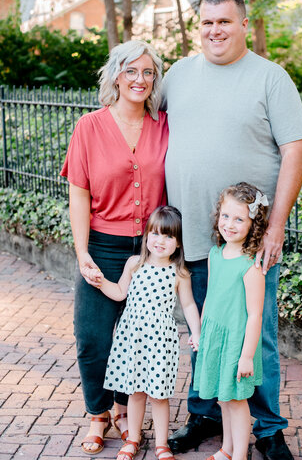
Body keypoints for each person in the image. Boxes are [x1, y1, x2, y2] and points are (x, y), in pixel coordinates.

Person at [162, 0, 302, 460]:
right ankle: (203, 414)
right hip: (194, 237)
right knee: (202, 332)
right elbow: (141, 115)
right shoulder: (178, 75)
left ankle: (265, 429)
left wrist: (276, 226)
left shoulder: (271, 77)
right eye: (206, 23)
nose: (214, 31)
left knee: (254, 335)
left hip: (247, 245)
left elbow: (295, 150)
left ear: (244, 24)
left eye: (224, 21)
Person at [60, 40, 169, 455]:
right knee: (93, 337)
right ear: (115, 76)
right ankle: (98, 414)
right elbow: (78, 193)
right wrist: (82, 251)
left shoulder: (164, 125)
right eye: (130, 71)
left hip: (149, 253)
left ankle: (126, 411)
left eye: (147, 72)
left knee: (137, 337)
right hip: (103, 246)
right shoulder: (89, 126)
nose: (139, 80)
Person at [90, 206, 201, 460]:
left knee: (159, 395)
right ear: (146, 235)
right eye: (155, 234)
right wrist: (99, 281)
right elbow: (120, 292)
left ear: (178, 243)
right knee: (136, 392)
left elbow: (189, 305)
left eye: (169, 236)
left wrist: (196, 332)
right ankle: (133, 439)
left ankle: (161, 443)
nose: (160, 241)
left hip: (160, 342)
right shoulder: (134, 264)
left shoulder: (179, 272)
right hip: (133, 340)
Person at [194, 183, 267, 460]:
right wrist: (201, 332)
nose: (230, 224)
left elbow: (255, 315)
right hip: (215, 336)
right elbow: (211, 296)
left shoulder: (251, 266)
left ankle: (240, 454)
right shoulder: (215, 254)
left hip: (237, 342)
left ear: (253, 224)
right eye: (226, 216)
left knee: (237, 401)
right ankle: (226, 449)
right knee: (223, 397)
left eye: (239, 219)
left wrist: (247, 356)